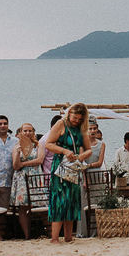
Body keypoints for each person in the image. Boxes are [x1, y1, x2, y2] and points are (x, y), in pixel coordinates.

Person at [45, 103, 92, 244]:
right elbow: (48, 144)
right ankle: (54, 238)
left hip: (74, 167)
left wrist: (80, 157)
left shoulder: (81, 128)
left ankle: (68, 237)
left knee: (72, 199)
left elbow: (89, 149)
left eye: (79, 119)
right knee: (59, 199)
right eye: (74, 118)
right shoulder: (61, 124)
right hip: (60, 165)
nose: (76, 121)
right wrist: (65, 151)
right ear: (69, 112)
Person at [77, 119, 108, 238]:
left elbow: (100, 162)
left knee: (99, 202)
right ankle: (85, 231)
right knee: (85, 204)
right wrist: (85, 179)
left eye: (94, 128)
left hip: (98, 176)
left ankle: (98, 230)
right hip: (85, 176)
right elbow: (81, 162)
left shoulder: (102, 144)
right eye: (90, 129)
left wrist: (88, 165)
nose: (93, 131)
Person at [11, 123, 43, 238]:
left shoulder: (38, 145)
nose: (28, 133)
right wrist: (18, 153)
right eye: (25, 131)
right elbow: (15, 166)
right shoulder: (16, 146)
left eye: (30, 131)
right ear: (20, 132)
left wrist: (23, 163)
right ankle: (27, 235)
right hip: (21, 178)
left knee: (40, 203)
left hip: (35, 176)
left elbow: (39, 160)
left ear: (33, 132)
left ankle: (45, 231)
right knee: (23, 207)